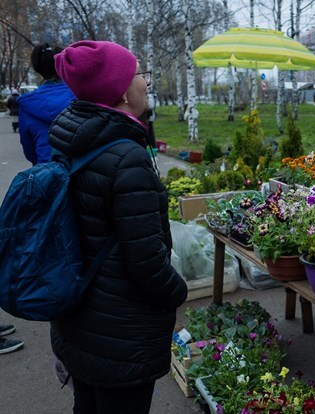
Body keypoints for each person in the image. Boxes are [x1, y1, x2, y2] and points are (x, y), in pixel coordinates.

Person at [48, 40, 187, 414]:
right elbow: (145, 261)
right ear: (123, 90)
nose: (146, 82)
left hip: (79, 316)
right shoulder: (125, 158)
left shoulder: (73, 138)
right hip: (120, 332)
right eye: (141, 73)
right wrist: (178, 291)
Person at [17, 43, 76, 165]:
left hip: (46, 174)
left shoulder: (27, 105)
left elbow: (29, 149)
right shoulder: (81, 95)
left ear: (38, 68)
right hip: (82, 170)